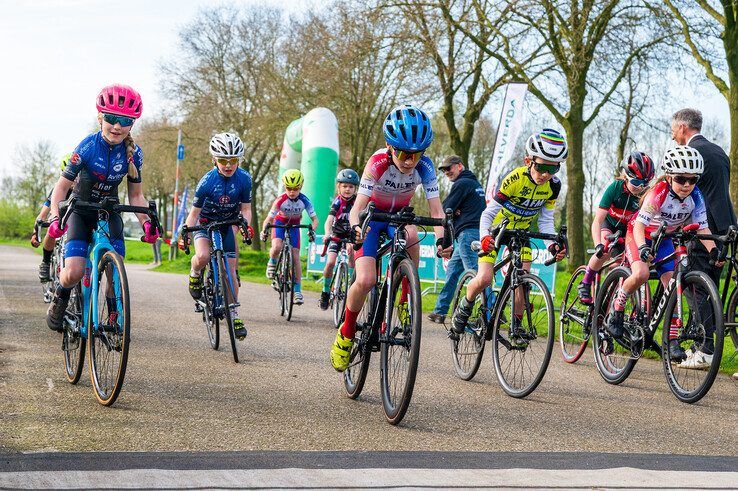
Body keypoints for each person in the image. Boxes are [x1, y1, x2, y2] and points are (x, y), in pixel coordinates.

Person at [329, 104, 453, 372]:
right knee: (365, 279)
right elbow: (358, 205)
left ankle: (405, 298)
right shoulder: (377, 162)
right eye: (403, 153)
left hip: (400, 216)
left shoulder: (427, 167)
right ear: (389, 145)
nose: (409, 161)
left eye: (416, 154)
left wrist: (443, 239)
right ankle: (347, 332)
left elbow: (436, 210)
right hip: (373, 217)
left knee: (412, 234)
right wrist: (354, 227)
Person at [45, 84, 160, 332]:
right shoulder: (87, 146)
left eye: (125, 120)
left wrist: (146, 223)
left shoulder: (133, 155)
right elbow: (60, 188)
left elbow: (136, 196)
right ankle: (60, 298)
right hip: (81, 211)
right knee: (73, 272)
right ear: (100, 118)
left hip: (110, 212)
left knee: (114, 272)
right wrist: (55, 217)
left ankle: (113, 317)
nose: (117, 126)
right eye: (111, 118)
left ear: (132, 124)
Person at [606, 146, 723, 365]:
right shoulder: (658, 192)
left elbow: (703, 230)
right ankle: (617, 308)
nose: (687, 185)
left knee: (673, 286)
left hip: (666, 239)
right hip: (641, 234)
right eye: (681, 179)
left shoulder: (696, 196)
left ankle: (672, 340)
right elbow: (639, 225)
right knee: (640, 273)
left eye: (692, 180)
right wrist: (642, 248)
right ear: (669, 176)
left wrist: (713, 250)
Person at [451, 128, 568, 342]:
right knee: (485, 278)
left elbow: (545, 219)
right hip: (497, 230)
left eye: (553, 169)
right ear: (528, 161)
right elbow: (488, 214)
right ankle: (464, 307)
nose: (545, 174)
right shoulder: (514, 179)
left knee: (523, 280)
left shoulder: (553, 186)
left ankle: (517, 326)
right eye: (541, 167)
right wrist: (486, 236)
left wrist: (552, 244)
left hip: (521, 233)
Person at [672, 109, 736, 367]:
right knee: (710, 292)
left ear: (683, 128)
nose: (673, 134)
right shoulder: (719, 151)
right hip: (725, 228)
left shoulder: (691, 154)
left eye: (674, 129)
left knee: (694, 288)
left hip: (703, 229)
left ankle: (705, 350)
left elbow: (692, 196)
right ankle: (702, 346)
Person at [178, 133, 253, 340]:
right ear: (214, 159)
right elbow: (193, 214)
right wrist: (184, 233)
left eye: (233, 160)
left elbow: (246, 209)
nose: (228, 165)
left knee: (230, 269)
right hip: (204, 224)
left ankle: (234, 313)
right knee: (202, 257)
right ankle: (195, 274)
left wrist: (246, 225)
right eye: (223, 160)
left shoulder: (245, 179)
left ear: (239, 160)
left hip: (227, 223)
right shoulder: (207, 182)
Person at [577, 151, 655, 304]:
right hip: (610, 225)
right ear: (625, 176)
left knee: (624, 265)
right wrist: (598, 244)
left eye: (645, 184)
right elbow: (597, 221)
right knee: (604, 252)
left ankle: (610, 298)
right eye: (636, 183)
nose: (640, 188)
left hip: (628, 231)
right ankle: (586, 282)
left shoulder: (645, 194)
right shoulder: (615, 188)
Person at [428, 155, 486, 324]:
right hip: (471, 233)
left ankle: (490, 312)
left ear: (460, 166)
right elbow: (451, 210)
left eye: (449, 168)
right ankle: (440, 311)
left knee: (477, 274)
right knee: (453, 271)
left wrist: (455, 210)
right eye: (444, 170)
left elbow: (445, 209)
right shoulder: (474, 184)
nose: (446, 172)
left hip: (469, 234)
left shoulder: (462, 183)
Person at [261, 169, 318, 306]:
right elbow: (269, 219)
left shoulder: (305, 200)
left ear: (301, 187)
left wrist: (312, 230)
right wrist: (264, 230)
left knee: (295, 255)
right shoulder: (280, 200)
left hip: (294, 225)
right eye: (289, 188)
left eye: (295, 189)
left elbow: (315, 220)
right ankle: (273, 262)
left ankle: (297, 291)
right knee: (277, 246)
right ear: (284, 187)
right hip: (280, 223)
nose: (292, 192)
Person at [319, 169, 359, 310]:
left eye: (351, 187)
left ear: (355, 189)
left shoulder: (358, 202)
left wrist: (354, 240)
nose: (347, 189)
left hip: (351, 236)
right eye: (344, 186)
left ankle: (351, 289)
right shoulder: (337, 202)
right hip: (336, 235)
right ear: (339, 187)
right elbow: (329, 219)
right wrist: (327, 233)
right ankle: (325, 291)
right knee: (330, 263)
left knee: (353, 258)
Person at [32, 153, 73, 282]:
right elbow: (42, 214)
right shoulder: (58, 188)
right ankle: (45, 262)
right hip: (59, 217)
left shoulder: (86, 187)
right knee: (52, 229)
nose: (74, 179)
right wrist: (35, 232)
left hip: (76, 220)